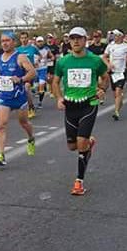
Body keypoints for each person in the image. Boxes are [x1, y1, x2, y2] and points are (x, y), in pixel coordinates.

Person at [53, 26, 109, 196]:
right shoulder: (63, 61)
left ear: (85, 40)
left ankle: (79, 181)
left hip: (88, 104)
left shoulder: (95, 60)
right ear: (69, 41)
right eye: (72, 38)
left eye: (79, 38)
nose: (75, 41)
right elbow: (55, 82)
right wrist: (59, 97)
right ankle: (88, 143)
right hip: (70, 106)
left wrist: (102, 89)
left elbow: (105, 77)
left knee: (81, 143)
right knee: (72, 146)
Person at [0, 32, 36, 166]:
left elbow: (32, 72)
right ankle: (1, 155)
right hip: (4, 96)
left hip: (19, 97)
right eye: (2, 41)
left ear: (14, 42)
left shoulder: (20, 57)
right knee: (1, 125)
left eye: (7, 40)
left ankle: (31, 138)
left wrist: (21, 79)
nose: (5, 43)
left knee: (23, 123)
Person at [103, 29, 127, 120]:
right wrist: (108, 64)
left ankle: (116, 112)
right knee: (115, 94)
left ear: (120, 36)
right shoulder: (110, 46)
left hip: (122, 72)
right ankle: (119, 102)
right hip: (112, 73)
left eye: (116, 35)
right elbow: (104, 57)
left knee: (118, 91)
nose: (114, 37)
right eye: (114, 35)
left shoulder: (126, 46)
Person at [16, 31, 41, 118]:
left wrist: (37, 62)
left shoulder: (33, 48)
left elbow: (40, 55)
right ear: (20, 39)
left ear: (28, 38)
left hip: (30, 72)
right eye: (22, 38)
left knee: (26, 88)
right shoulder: (17, 50)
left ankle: (31, 107)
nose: (23, 40)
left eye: (25, 38)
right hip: (20, 73)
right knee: (20, 91)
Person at [34, 36, 54, 108]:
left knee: (41, 85)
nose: (40, 43)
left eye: (41, 41)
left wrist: (49, 60)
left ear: (43, 42)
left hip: (43, 69)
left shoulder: (46, 49)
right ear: (36, 42)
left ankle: (40, 102)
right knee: (35, 87)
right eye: (38, 41)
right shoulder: (33, 49)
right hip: (35, 70)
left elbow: (52, 57)